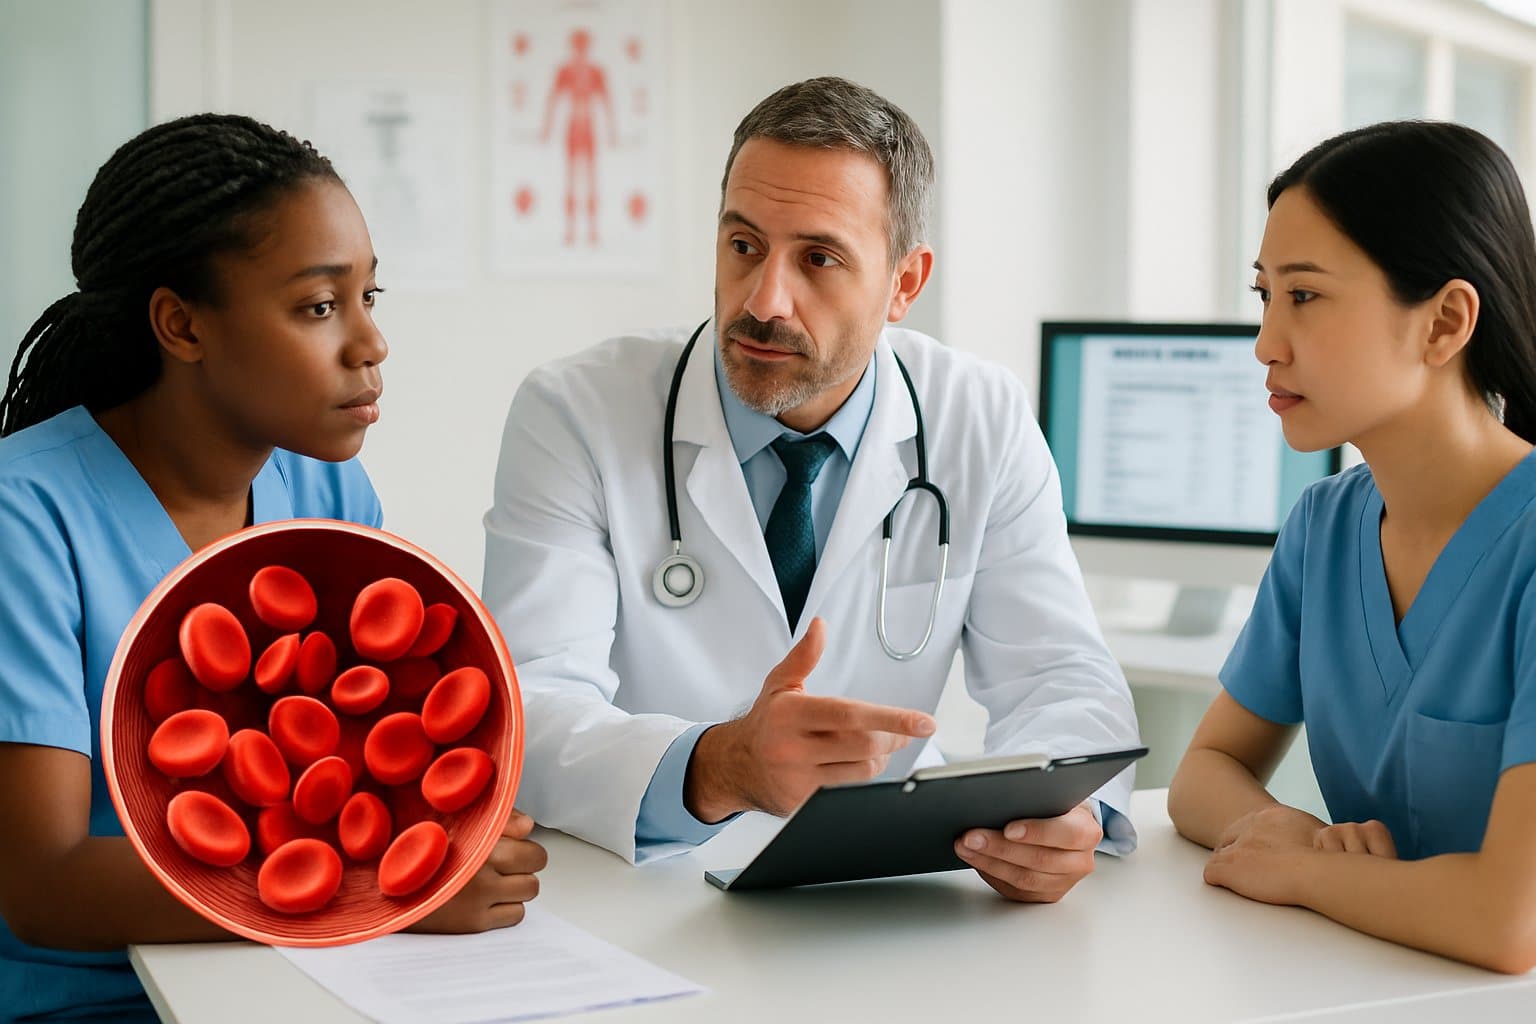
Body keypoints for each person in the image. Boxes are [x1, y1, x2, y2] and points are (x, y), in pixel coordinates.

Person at [483, 77, 1140, 896]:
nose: (764, 300)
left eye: (818, 259)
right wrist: (717, 766)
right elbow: (528, 704)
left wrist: (1061, 816)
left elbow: (1060, 675)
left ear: (905, 283)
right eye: (743, 246)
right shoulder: (577, 411)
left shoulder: (981, 415)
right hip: (644, 887)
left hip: (889, 889)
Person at [0, 114, 546, 1021]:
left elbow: (363, 782)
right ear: (181, 325)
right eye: (320, 306)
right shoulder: (25, 518)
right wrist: (386, 896)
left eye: (370, 295)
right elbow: (45, 884)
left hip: (298, 985)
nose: (371, 344)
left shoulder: (329, 492)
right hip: (93, 1005)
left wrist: (446, 850)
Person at [1167, 121, 1536, 974]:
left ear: (1444, 322)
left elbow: (1510, 922)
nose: (1265, 343)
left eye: (1304, 295)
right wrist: (1287, 831)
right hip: (1373, 984)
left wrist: (1302, 872)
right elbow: (1202, 775)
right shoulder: (1324, 528)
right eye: (1263, 295)